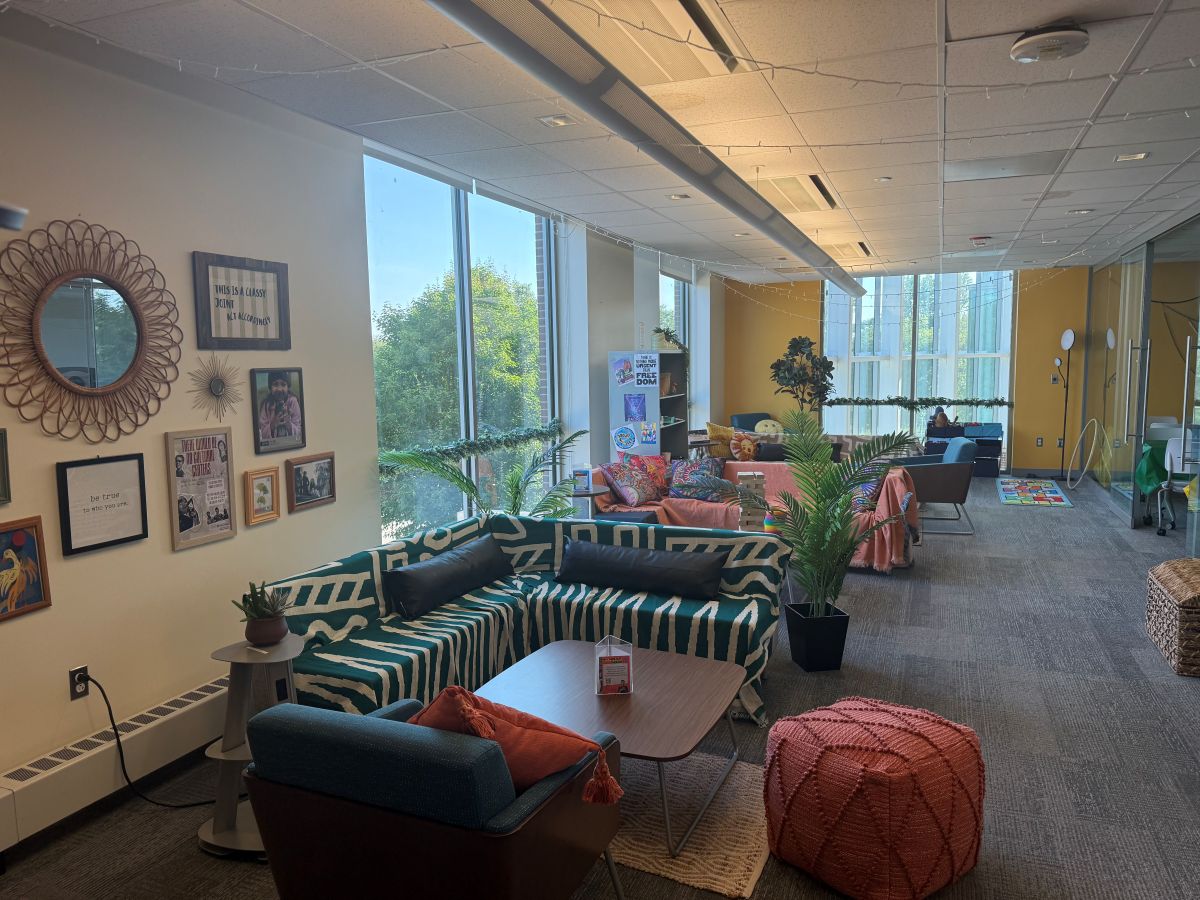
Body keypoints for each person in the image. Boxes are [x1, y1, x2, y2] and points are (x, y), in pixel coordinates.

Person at [258, 372, 302, 443]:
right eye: (275, 384)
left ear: (288, 387)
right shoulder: (266, 405)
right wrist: (273, 424)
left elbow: (299, 433)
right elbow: (263, 434)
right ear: (270, 387)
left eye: (283, 384)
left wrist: (288, 423)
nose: (279, 389)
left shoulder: (293, 402)